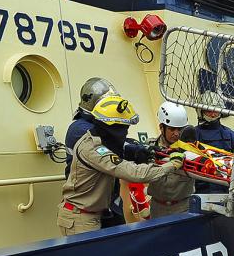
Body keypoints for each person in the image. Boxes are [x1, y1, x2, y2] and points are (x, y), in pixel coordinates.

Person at [58, 96, 183, 236]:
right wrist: (172, 165)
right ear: (112, 128)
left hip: (91, 214)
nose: (126, 133)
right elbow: (134, 173)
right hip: (80, 219)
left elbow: (120, 150)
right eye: (123, 128)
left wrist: (141, 152)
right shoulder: (93, 149)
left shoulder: (100, 141)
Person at [147, 102, 196, 218]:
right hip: (157, 207)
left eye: (180, 129)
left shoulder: (192, 149)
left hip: (183, 207)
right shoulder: (149, 147)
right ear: (161, 127)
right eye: (172, 129)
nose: (176, 134)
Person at [195, 90, 234, 194]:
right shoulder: (193, 134)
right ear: (201, 111)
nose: (213, 114)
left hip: (226, 188)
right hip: (200, 189)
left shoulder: (231, 135)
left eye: (216, 110)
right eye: (209, 111)